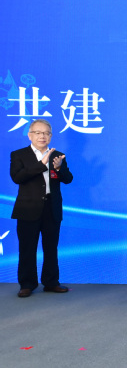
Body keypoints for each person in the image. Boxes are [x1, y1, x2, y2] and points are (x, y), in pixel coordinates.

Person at [10, 119, 73, 298]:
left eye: (46, 133)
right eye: (38, 133)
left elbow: (68, 179)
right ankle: (27, 284)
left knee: (51, 248)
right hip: (28, 208)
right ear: (30, 135)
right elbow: (17, 177)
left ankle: (51, 282)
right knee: (27, 249)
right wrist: (41, 163)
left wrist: (59, 169)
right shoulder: (19, 155)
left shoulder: (58, 155)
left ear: (51, 136)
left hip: (51, 207)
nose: (42, 136)